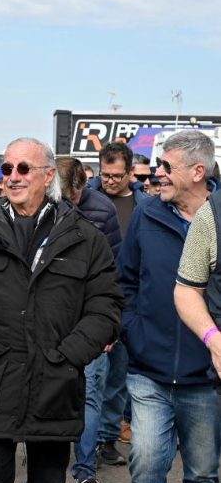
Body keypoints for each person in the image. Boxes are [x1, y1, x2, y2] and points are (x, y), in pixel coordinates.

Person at [0, 137, 124, 483]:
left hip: (55, 384)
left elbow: (107, 304)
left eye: (24, 168)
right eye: (7, 168)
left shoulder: (84, 236)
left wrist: (70, 355)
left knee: (48, 479)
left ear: (48, 175)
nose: (13, 176)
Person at [119, 130, 221, 483]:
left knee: (203, 474)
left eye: (166, 165)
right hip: (149, 370)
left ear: (197, 172)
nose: (156, 172)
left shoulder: (219, 220)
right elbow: (125, 280)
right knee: (146, 466)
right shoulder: (146, 215)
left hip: (206, 378)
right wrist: (133, 330)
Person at [57, 157, 122, 483]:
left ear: (83, 187)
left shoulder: (103, 210)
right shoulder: (39, 206)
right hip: (50, 319)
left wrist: (107, 323)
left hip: (89, 319)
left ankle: (84, 471)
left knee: (91, 394)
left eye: (73, 197)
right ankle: (49, 465)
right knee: (52, 391)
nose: (67, 203)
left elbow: (113, 272)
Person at [90, 142, 150, 465]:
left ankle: (106, 439)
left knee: (118, 379)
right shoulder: (85, 199)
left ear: (130, 172)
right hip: (93, 303)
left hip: (129, 302)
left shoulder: (145, 205)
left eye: (116, 176)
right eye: (105, 174)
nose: (110, 181)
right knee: (91, 378)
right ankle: (85, 441)